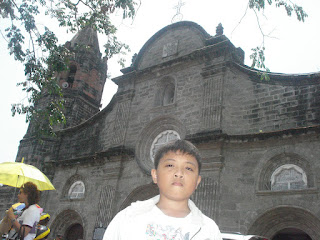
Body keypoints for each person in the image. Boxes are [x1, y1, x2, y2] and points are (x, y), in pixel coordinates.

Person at [103, 139, 222, 240]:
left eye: (188, 168)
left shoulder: (209, 231)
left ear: (197, 181)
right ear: (155, 175)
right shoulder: (126, 219)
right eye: (170, 165)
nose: (179, 173)